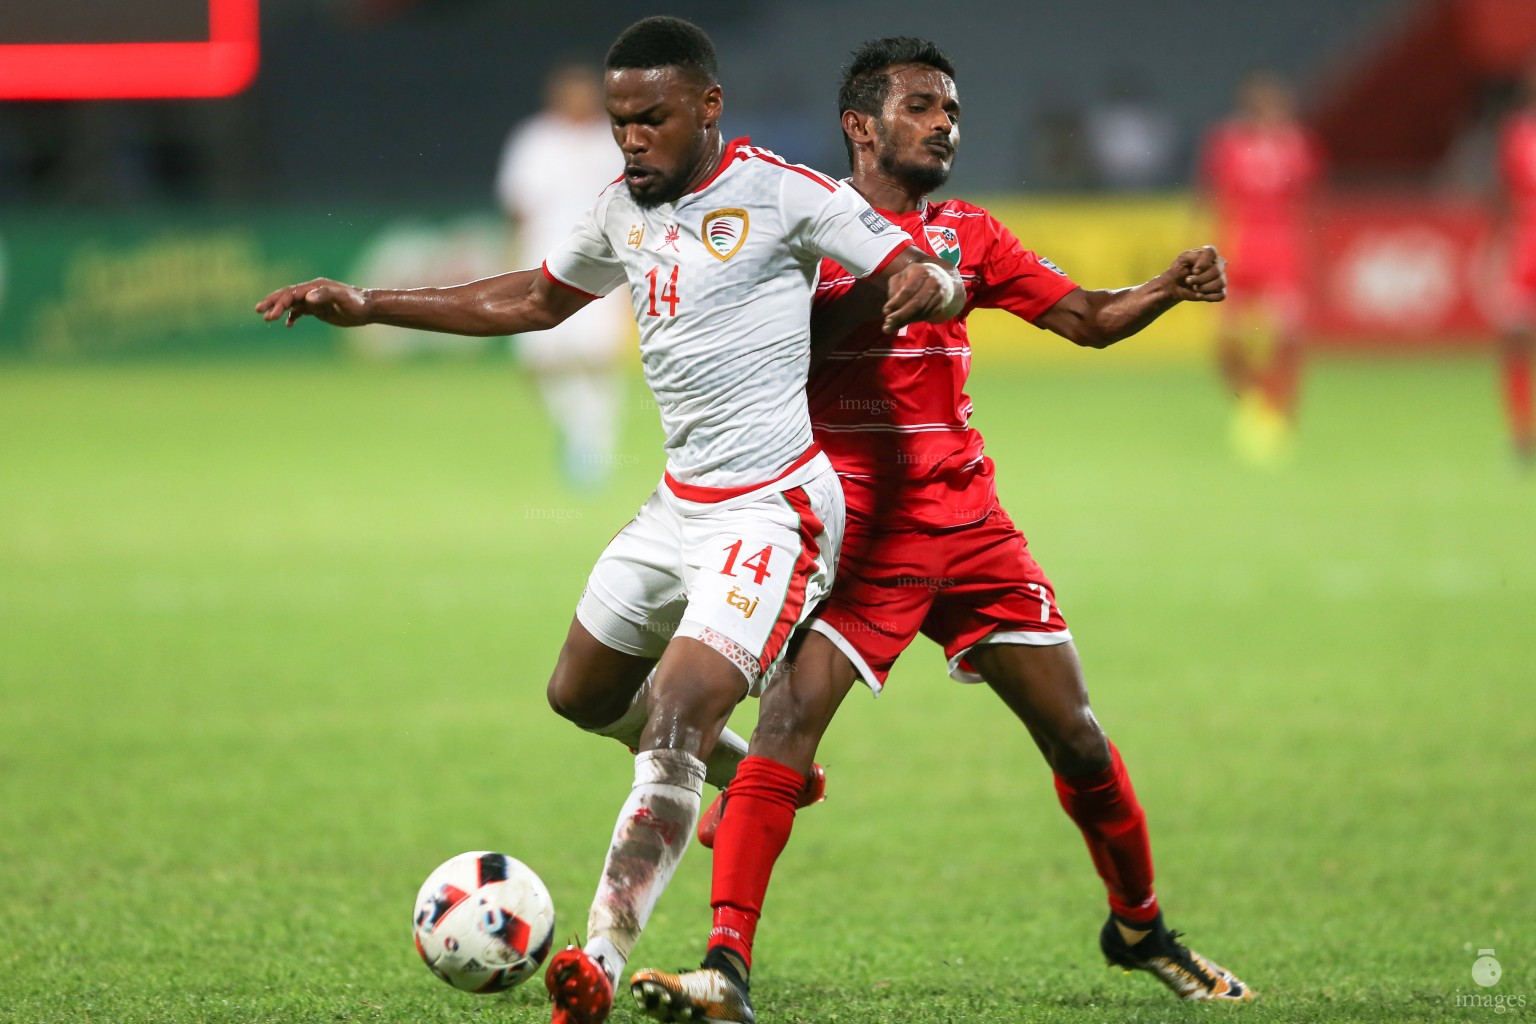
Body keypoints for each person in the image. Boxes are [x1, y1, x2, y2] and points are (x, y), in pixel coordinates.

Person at [254, 17, 966, 1024]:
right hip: (679, 503)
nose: (630, 139)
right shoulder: (621, 209)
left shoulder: (781, 191)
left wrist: (921, 284)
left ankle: (596, 953)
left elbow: (917, 263)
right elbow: (535, 300)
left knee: (674, 709)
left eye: (651, 120)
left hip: (775, 513)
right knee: (580, 690)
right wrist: (369, 304)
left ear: (706, 108)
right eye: (622, 120)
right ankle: (753, 766)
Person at [627, 37, 1252, 1024]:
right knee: (789, 723)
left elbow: (1085, 317)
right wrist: (875, 301)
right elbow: (758, 362)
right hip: (853, 531)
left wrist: (1168, 287)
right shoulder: (799, 228)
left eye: (951, 108)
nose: (945, 122)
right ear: (861, 125)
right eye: (921, 105)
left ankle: (1138, 926)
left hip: (970, 527)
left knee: (1078, 739)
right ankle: (724, 967)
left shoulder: (968, 231)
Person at [495, 62, 633, 487]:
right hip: (544, 257)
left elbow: (632, 206)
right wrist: (512, 262)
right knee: (543, 361)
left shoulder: (613, 141)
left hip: (602, 261)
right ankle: (579, 431)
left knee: (597, 359)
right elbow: (518, 208)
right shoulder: (535, 140)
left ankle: (596, 449)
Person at [1197, 71, 1322, 466]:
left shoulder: (1298, 145)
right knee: (1224, 340)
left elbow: (1312, 200)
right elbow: (1211, 197)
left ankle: (1281, 410)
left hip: (1281, 248)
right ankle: (1253, 399)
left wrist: (1313, 251)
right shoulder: (1227, 144)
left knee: (1287, 333)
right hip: (1238, 247)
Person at [1495, 60, 1536, 467]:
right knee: (1514, 338)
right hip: (1526, 246)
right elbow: (1504, 193)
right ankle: (1520, 434)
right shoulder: (1517, 134)